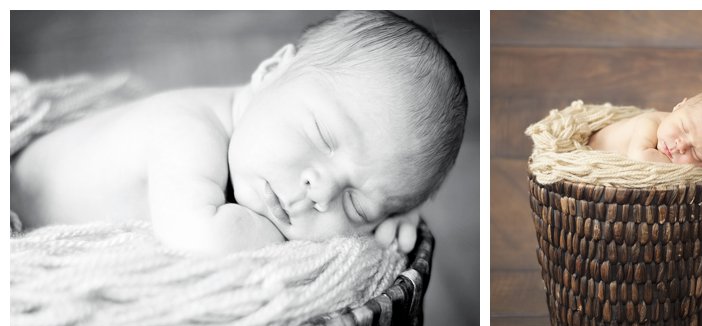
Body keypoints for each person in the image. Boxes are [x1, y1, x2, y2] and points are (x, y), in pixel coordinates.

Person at [10, 11, 467, 255]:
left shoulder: (258, 160)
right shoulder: (186, 131)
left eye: (355, 202)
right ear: (270, 71)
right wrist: (355, 237)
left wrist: (377, 219)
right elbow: (205, 241)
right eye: (321, 135)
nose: (321, 191)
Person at [587, 88, 702, 176]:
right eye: (684, 129)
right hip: (589, 148)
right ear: (678, 106)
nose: (681, 146)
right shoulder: (649, 123)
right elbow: (639, 158)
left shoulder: (683, 131)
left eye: (697, 152)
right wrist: (698, 168)